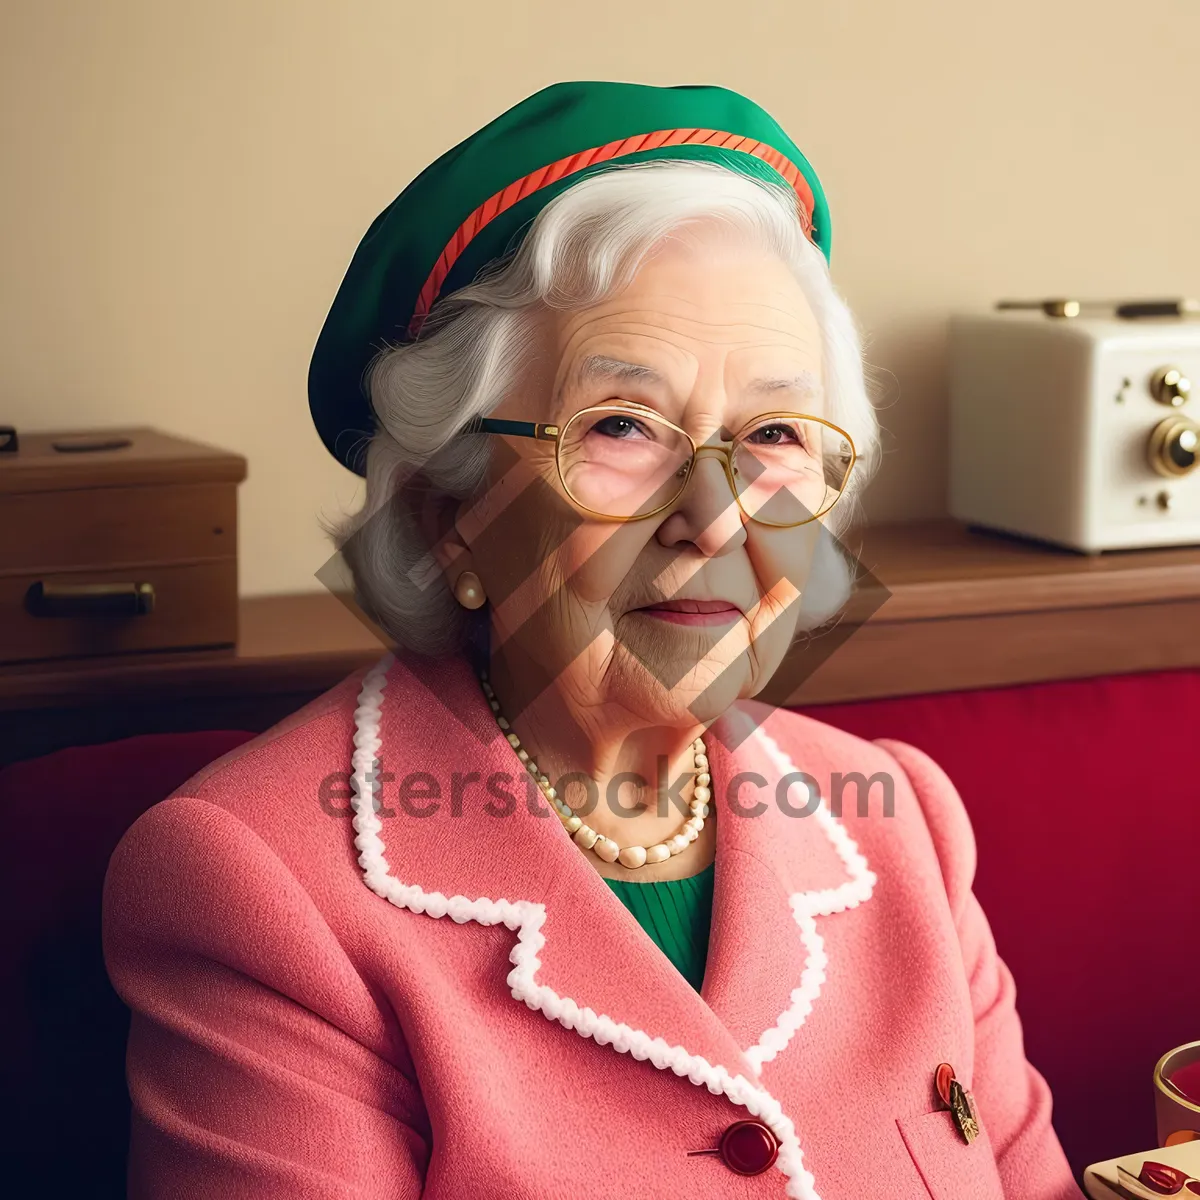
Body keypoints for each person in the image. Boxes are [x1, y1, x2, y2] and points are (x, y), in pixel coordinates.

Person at [103, 81, 1083, 1199]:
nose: (714, 518)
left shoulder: (902, 819)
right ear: (446, 515)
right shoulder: (255, 882)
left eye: (773, 434)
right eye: (622, 425)